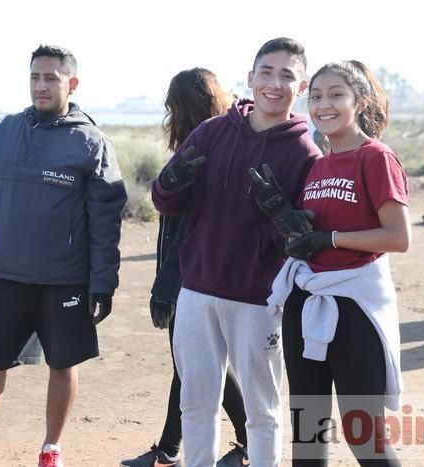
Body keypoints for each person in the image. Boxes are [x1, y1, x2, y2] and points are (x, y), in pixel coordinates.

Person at [0, 44, 127, 467]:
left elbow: (105, 221)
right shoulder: (3, 131)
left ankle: (51, 448)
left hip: (64, 279)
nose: (41, 86)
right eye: (35, 77)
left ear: (71, 83)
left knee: (62, 363)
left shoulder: (90, 142)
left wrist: (103, 283)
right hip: (6, 275)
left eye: (51, 78)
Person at [151, 38, 322, 467]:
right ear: (250, 78)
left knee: (263, 410)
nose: (275, 83)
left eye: (287, 75)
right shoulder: (211, 132)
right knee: (196, 403)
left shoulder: (305, 153)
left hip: (258, 299)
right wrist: (172, 183)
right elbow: (163, 198)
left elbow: (305, 240)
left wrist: (284, 216)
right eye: (267, 72)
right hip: (197, 291)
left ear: (299, 88)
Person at [264, 60, 410, 466]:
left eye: (335, 95)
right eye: (315, 97)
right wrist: (283, 218)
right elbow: (307, 238)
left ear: (359, 101)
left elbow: (398, 237)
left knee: (363, 434)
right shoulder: (318, 165)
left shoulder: (376, 158)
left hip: (355, 306)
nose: (323, 105)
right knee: (308, 436)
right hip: (306, 302)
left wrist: (329, 238)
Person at [121, 68, 249, 467]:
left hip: (192, 278)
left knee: (195, 365)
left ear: (186, 107)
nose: (166, 114)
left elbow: (187, 232)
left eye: (170, 106)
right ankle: (169, 450)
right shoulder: (215, 145)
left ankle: (247, 443)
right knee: (188, 366)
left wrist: (165, 287)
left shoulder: (200, 153)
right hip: (197, 275)